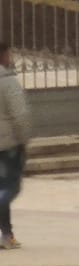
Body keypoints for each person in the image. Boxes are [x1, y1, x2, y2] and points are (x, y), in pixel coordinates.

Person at [0, 40, 30, 249]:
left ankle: (7, 234)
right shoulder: (7, 81)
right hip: (7, 144)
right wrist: (23, 139)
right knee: (10, 187)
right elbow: (19, 116)